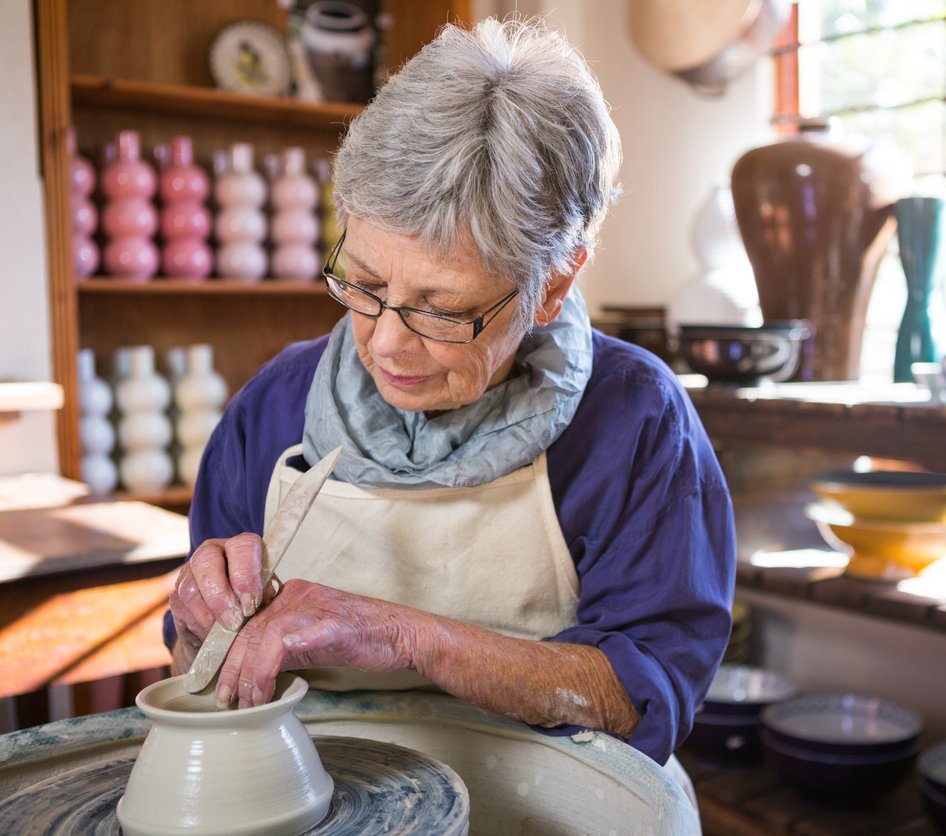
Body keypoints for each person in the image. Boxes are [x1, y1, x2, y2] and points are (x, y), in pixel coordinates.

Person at [164, 16, 735, 772]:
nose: (388, 343)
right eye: (363, 285)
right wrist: (201, 630)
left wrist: (407, 635)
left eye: (441, 309)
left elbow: (643, 693)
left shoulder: (634, 420)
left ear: (553, 285)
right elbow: (192, 678)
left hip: (553, 797)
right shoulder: (273, 407)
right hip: (313, 785)